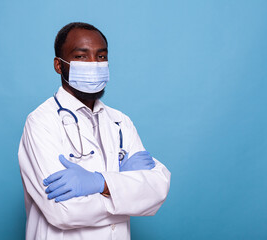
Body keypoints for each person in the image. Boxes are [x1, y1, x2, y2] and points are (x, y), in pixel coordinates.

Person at [18, 22, 171, 240]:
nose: (93, 64)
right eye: (81, 56)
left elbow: (157, 189)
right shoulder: (41, 122)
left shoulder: (120, 122)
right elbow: (62, 212)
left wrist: (101, 182)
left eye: (101, 57)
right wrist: (125, 189)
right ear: (59, 65)